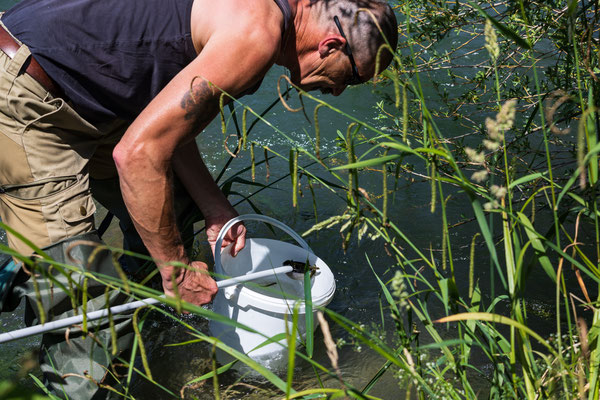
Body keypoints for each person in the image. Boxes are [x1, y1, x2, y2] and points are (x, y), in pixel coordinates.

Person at [0, 0, 398, 397]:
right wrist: (176, 270)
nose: (340, 90)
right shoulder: (256, 36)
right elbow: (137, 155)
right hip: (26, 97)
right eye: (355, 77)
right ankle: (78, 348)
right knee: (86, 308)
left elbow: (171, 129)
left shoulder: (265, 16)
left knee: (176, 208)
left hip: (85, 92)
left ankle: (135, 318)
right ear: (331, 45)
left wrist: (214, 207)